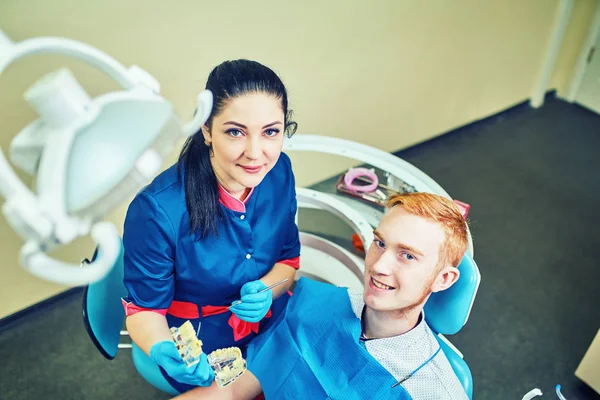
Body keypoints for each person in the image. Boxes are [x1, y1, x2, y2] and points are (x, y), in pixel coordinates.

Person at [174, 192, 470, 400]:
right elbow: (235, 389)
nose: (378, 266)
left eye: (407, 255)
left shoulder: (433, 391)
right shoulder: (317, 307)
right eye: (380, 243)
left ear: (444, 279)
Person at [121, 59, 301, 393]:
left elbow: (288, 263)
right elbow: (144, 310)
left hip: (272, 320)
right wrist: (163, 348)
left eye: (270, 132)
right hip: (202, 340)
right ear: (206, 129)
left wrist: (266, 289)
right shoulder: (157, 210)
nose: (255, 153)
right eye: (235, 132)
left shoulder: (279, 173)